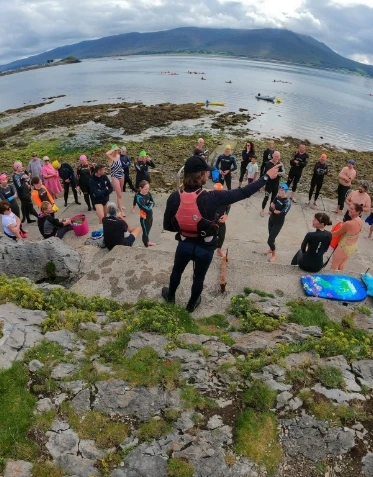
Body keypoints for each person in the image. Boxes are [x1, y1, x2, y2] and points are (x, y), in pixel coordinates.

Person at [162, 155, 280, 312]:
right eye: (206, 172)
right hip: (205, 247)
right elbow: (244, 192)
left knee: (177, 271)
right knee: (199, 277)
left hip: (184, 244)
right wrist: (266, 177)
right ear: (200, 175)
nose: (209, 174)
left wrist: (187, 225)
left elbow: (168, 226)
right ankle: (191, 305)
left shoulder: (174, 197)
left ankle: (170, 297)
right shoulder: (213, 197)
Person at [331, 203, 363, 270]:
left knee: (333, 267)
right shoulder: (360, 220)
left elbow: (336, 234)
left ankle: (330, 279)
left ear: (357, 212)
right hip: (352, 247)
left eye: (352, 209)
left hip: (344, 246)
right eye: (349, 207)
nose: (349, 210)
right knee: (341, 266)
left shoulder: (348, 223)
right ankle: (342, 279)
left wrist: (324, 233)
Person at [264, 183, 291, 263]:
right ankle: (271, 249)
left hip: (278, 223)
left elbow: (280, 212)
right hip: (271, 220)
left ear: (285, 191)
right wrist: (274, 210)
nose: (279, 191)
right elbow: (271, 207)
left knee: (270, 240)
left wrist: (273, 210)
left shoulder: (287, 202)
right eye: (279, 189)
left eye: (281, 190)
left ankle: (274, 255)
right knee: (271, 237)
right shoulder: (277, 197)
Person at [260, 151, 286, 216]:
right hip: (269, 184)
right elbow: (265, 174)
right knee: (266, 197)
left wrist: (276, 173)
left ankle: (270, 210)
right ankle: (262, 210)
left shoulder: (280, 164)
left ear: (279, 157)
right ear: (272, 156)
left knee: (273, 199)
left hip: (276, 184)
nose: (276, 158)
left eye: (277, 156)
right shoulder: (268, 163)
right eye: (275, 156)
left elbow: (283, 173)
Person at [135, 180, 156, 247]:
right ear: (141, 188)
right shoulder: (139, 197)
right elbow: (146, 209)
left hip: (150, 215)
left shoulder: (148, 193)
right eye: (145, 189)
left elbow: (153, 202)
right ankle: (146, 244)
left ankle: (147, 241)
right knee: (145, 231)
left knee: (148, 229)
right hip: (144, 217)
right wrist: (150, 204)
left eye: (148, 189)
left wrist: (150, 204)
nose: (147, 190)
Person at [106, 145, 125, 215]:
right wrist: (113, 149)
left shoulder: (119, 156)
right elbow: (107, 153)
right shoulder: (110, 158)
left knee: (120, 192)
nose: (116, 152)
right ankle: (121, 211)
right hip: (115, 177)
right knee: (119, 194)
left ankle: (119, 205)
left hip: (121, 175)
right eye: (115, 150)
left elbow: (123, 152)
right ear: (112, 150)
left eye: (117, 150)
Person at [213, 183, 230, 258]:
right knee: (211, 237)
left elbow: (229, 206)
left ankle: (219, 250)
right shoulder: (210, 198)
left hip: (221, 221)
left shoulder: (225, 198)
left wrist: (226, 214)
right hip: (211, 221)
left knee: (222, 235)